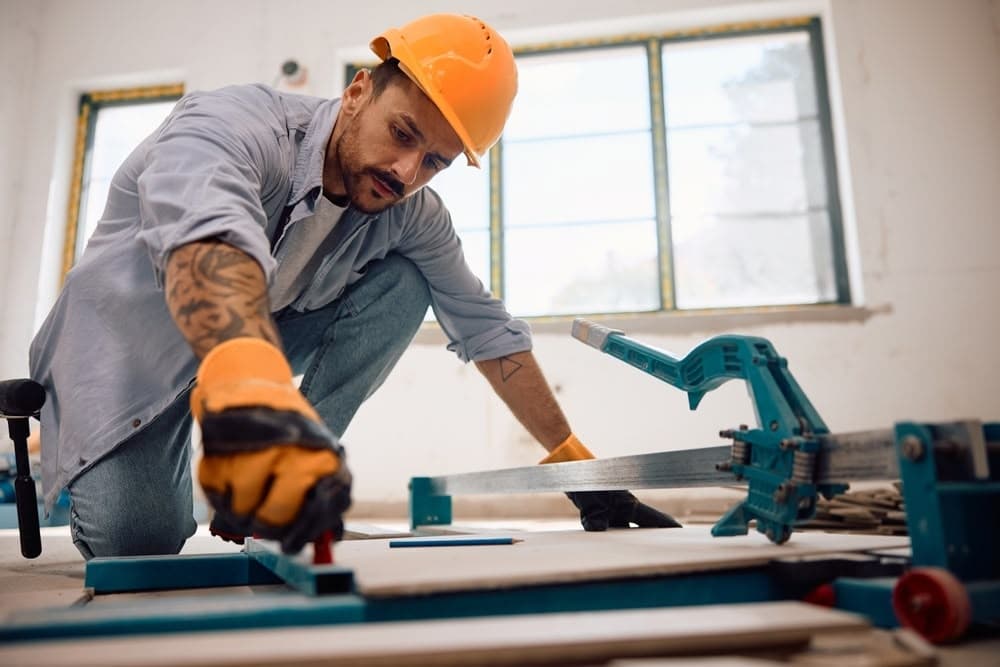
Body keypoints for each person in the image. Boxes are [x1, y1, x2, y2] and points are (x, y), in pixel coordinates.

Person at [29, 13, 680, 559]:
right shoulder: (234, 127)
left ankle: (281, 466)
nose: (405, 170)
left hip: (250, 344)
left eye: (434, 162)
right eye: (403, 133)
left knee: (405, 281)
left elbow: (486, 328)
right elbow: (211, 244)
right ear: (358, 91)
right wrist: (252, 387)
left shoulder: (408, 214)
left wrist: (576, 463)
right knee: (140, 546)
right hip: (126, 357)